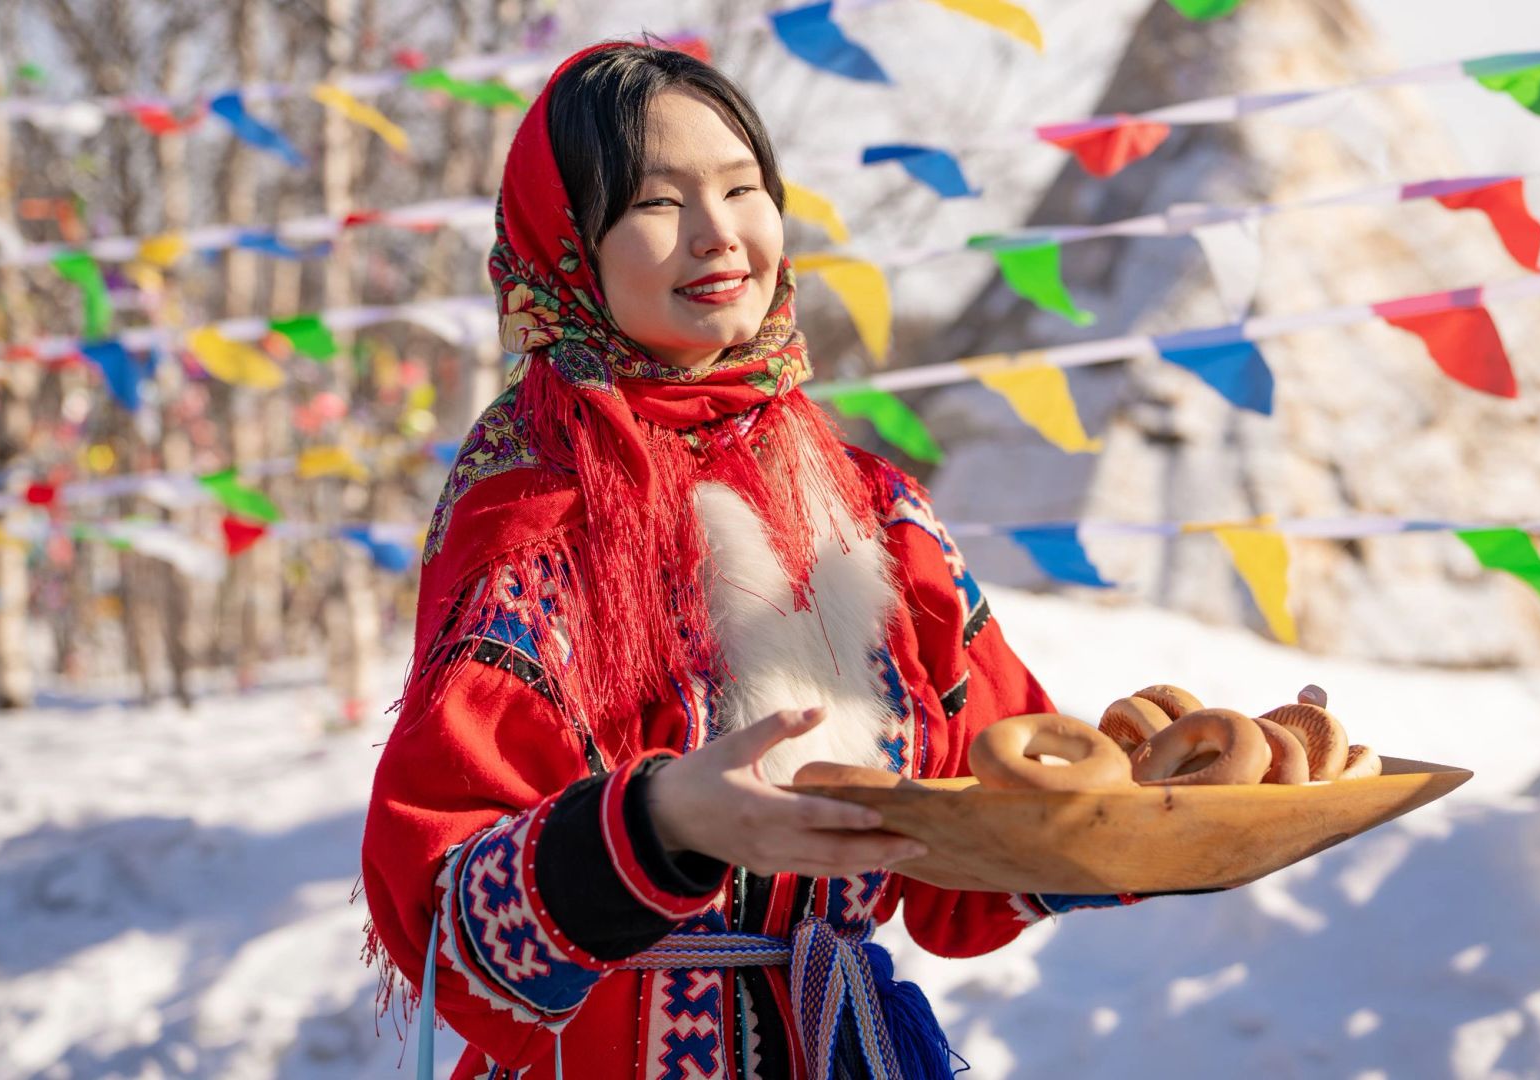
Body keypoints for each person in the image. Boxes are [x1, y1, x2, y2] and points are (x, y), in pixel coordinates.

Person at [360, 40, 1285, 1080]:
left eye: (741, 187)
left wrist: (1158, 819)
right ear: (569, 244)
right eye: (657, 202)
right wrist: (660, 822)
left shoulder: (875, 513)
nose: (718, 233)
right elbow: (444, 922)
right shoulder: (537, 521)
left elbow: (972, 840)